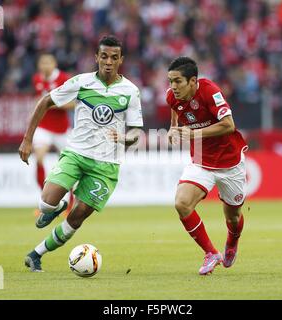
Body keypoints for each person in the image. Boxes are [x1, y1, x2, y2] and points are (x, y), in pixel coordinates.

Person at [19, 35, 143, 272]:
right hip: (76, 153)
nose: (108, 61)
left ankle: (36, 254)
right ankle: (54, 207)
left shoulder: (131, 91)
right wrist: (27, 139)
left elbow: (136, 130)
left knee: (77, 216)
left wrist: (127, 138)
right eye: (104, 56)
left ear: (121, 60)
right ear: (96, 57)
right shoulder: (81, 82)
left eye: (114, 57)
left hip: (107, 165)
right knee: (46, 203)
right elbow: (46, 101)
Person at [166, 57, 247, 275]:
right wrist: (173, 128)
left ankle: (232, 240)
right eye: (170, 81)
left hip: (230, 162)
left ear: (193, 81)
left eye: (178, 81)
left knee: (233, 216)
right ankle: (211, 252)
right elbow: (175, 110)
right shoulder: (172, 96)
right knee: (182, 203)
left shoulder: (210, 91)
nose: (173, 87)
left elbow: (229, 125)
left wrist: (194, 133)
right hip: (201, 161)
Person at [32, 54, 74, 214]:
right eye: (42, 62)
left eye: (48, 62)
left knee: (71, 168)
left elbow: (74, 103)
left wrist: (53, 104)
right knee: (39, 158)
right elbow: (38, 101)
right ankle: (46, 204)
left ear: (54, 64)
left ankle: (70, 205)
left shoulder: (64, 78)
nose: (45, 65)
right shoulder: (36, 79)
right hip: (43, 127)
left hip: (62, 130)